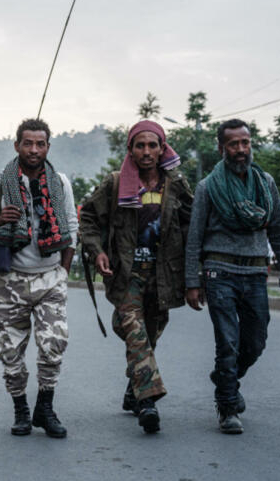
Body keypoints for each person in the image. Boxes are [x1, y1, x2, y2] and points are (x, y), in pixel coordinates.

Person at [79, 120, 193, 434]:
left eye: (152, 145)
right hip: (128, 275)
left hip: (164, 277)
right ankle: (148, 403)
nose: (146, 152)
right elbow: (88, 218)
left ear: (162, 148)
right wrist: (97, 250)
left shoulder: (176, 184)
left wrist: (193, 274)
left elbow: (191, 226)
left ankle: (134, 390)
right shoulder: (115, 183)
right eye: (139, 146)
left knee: (148, 336)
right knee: (134, 330)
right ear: (130, 149)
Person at [184, 118, 280, 434]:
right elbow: (194, 237)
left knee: (255, 341)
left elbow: (279, 230)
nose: (240, 149)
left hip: (256, 272)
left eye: (245, 142)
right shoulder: (208, 187)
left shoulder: (265, 184)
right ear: (222, 148)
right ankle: (228, 407)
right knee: (228, 342)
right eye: (233, 144)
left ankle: (224, 377)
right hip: (219, 272)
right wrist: (193, 282)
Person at [0, 118, 77, 438]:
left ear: (47, 147)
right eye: (27, 143)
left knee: (53, 344)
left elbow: (71, 226)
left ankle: (45, 407)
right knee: (9, 351)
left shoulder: (61, 182)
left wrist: (63, 271)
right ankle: (21, 410)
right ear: (17, 145)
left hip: (50, 278)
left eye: (40, 144)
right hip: (9, 280)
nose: (33, 149)